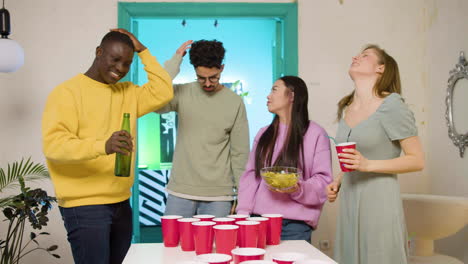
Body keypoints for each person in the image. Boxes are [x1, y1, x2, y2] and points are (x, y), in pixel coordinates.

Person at [42, 28, 173, 264]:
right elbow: (55, 146)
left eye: (127, 63)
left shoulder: (127, 93)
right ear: (99, 52)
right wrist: (103, 146)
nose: (120, 69)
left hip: (121, 202)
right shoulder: (67, 93)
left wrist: (143, 51)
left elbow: (163, 91)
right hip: (84, 205)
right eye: (115, 59)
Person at [326, 44, 425, 264]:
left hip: (379, 202)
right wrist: (338, 180)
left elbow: (417, 160)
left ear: (381, 68)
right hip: (350, 203)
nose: (356, 57)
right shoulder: (347, 107)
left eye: (365, 55)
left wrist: (368, 165)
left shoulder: (392, 105)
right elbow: (355, 157)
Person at [158, 40, 250, 218]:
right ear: (194, 71)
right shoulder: (182, 93)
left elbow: (240, 153)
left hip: (219, 196)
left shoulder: (235, 102)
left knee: (218, 246)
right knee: (174, 245)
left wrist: (242, 196)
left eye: (213, 77)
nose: (207, 83)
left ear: (222, 68)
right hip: (181, 191)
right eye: (201, 78)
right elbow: (155, 101)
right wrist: (175, 61)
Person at [236, 76, 333, 242]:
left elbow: (324, 181)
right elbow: (251, 177)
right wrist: (243, 215)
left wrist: (297, 188)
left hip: (295, 225)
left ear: (292, 96)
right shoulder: (263, 134)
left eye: (274, 89)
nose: (268, 96)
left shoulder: (316, 133)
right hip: (259, 220)